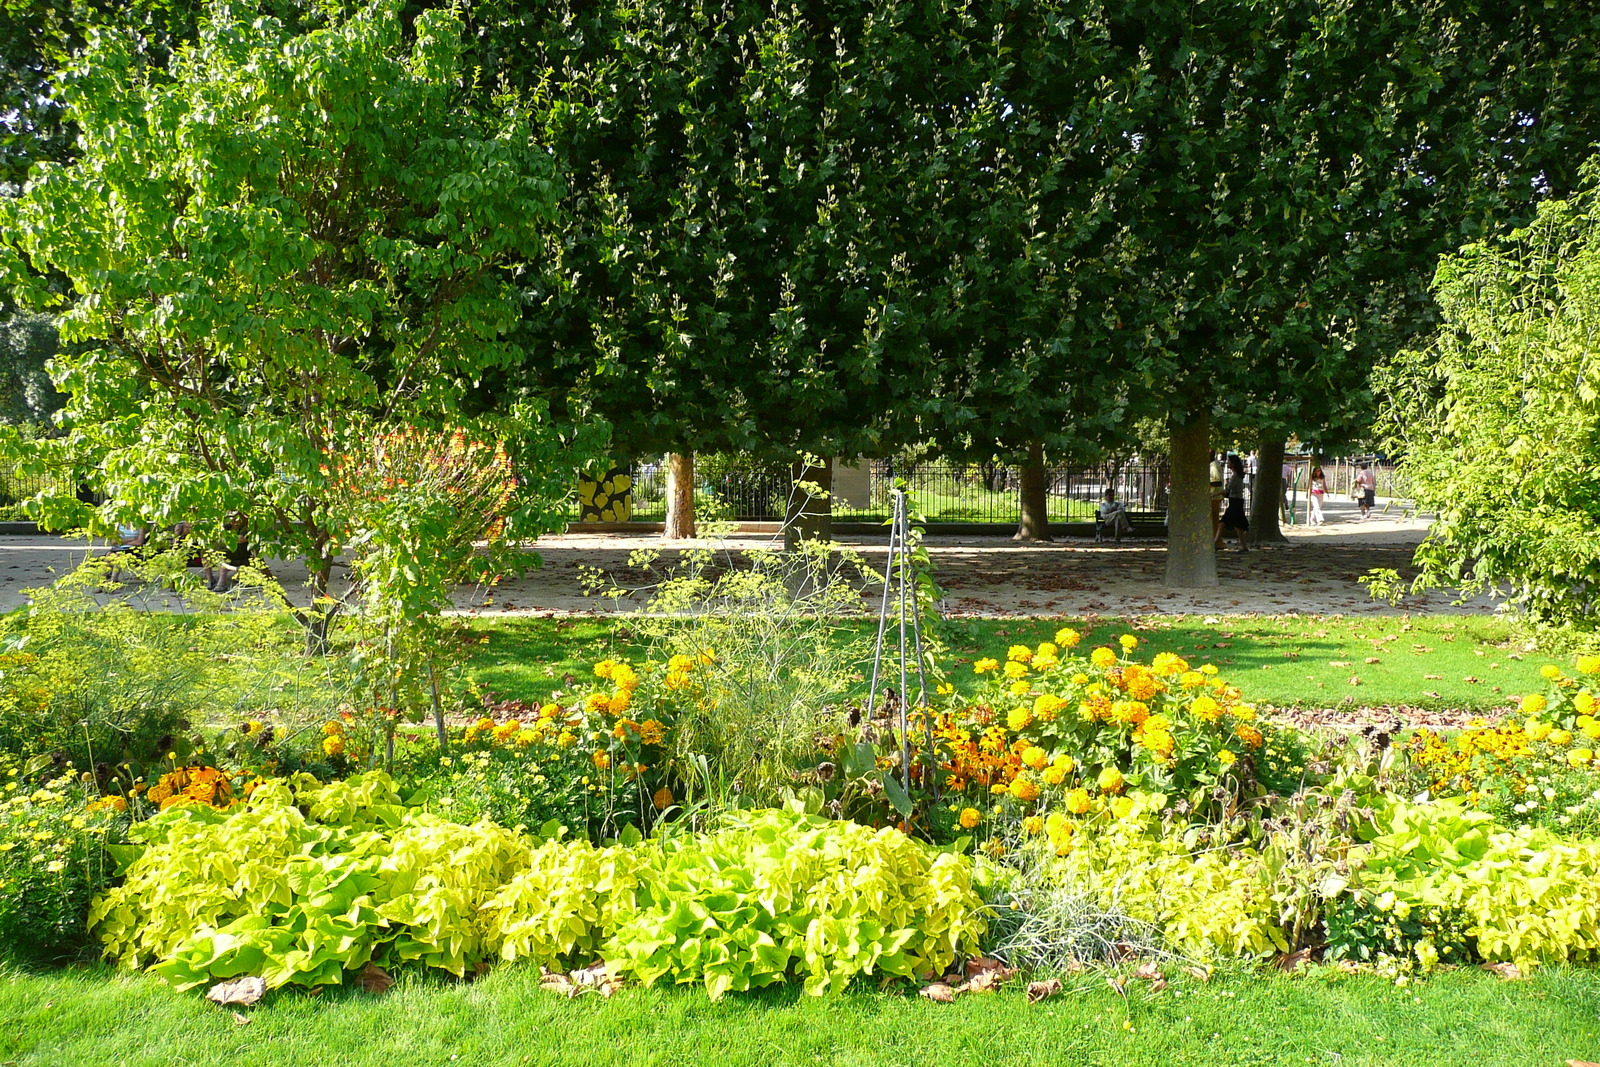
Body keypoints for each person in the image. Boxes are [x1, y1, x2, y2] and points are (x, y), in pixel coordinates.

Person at [1221, 454, 1250, 551]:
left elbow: (1227, 490)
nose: (1227, 463)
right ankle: (1243, 545)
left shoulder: (1235, 477)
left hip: (1235, 502)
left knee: (1223, 523)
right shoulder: (1238, 476)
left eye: (1229, 461)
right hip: (1237, 501)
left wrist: (1213, 494)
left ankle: (1215, 543)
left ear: (1233, 464)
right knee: (1238, 526)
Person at [1209, 451, 1227, 548]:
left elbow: (1217, 482)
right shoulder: (1213, 465)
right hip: (1213, 497)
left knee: (1213, 520)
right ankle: (1217, 542)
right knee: (1213, 521)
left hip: (1213, 497)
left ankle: (1217, 542)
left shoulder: (1213, 466)